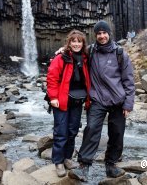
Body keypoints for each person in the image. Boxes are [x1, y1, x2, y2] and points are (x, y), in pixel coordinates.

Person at [68, 20, 135, 182]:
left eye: (104, 33)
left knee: (117, 133)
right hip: (97, 98)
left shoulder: (120, 54)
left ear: (109, 34)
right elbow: (73, 54)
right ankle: (84, 166)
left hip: (118, 100)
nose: (102, 36)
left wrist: (128, 103)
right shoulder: (90, 52)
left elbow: (129, 80)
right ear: (95, 35)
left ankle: (111, 165)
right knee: (91, 129)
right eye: (98, 33)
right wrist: (61, 51)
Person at [47, 29, 91, 177]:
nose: (76, 44)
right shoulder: (61, 57)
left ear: (83, 43)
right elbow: (52, 78)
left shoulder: (85, 58)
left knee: (72, 131)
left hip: (77, 101)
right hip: (61, 100)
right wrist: (53, 97)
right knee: (61, 132)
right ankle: (58, 162)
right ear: (69, 42)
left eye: (79, 41)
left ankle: (67, 158)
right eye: (74, 41)